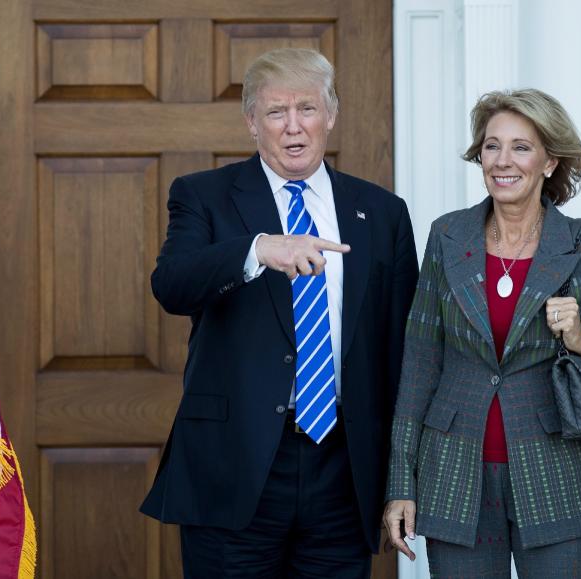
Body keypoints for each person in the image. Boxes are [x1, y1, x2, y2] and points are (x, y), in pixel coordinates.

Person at [140, 48, 419, 577]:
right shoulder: (204, 196)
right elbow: (172, 286)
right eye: (275, 112)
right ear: (251, 122)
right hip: (235, 468)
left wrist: (401, 477)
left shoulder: (382, 212)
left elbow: (403, 352)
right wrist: (258, 250)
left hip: (344, 469)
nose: (294, 127)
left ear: (331, 115)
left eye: (307, 109)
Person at [382, 88, 581, 577]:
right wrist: (401, 483)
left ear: (550, 162)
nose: (502, 161)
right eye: (492, 146)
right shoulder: (447, 237)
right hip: (453, 475)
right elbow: (420, 364)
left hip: (554, 474)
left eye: (521, 147)